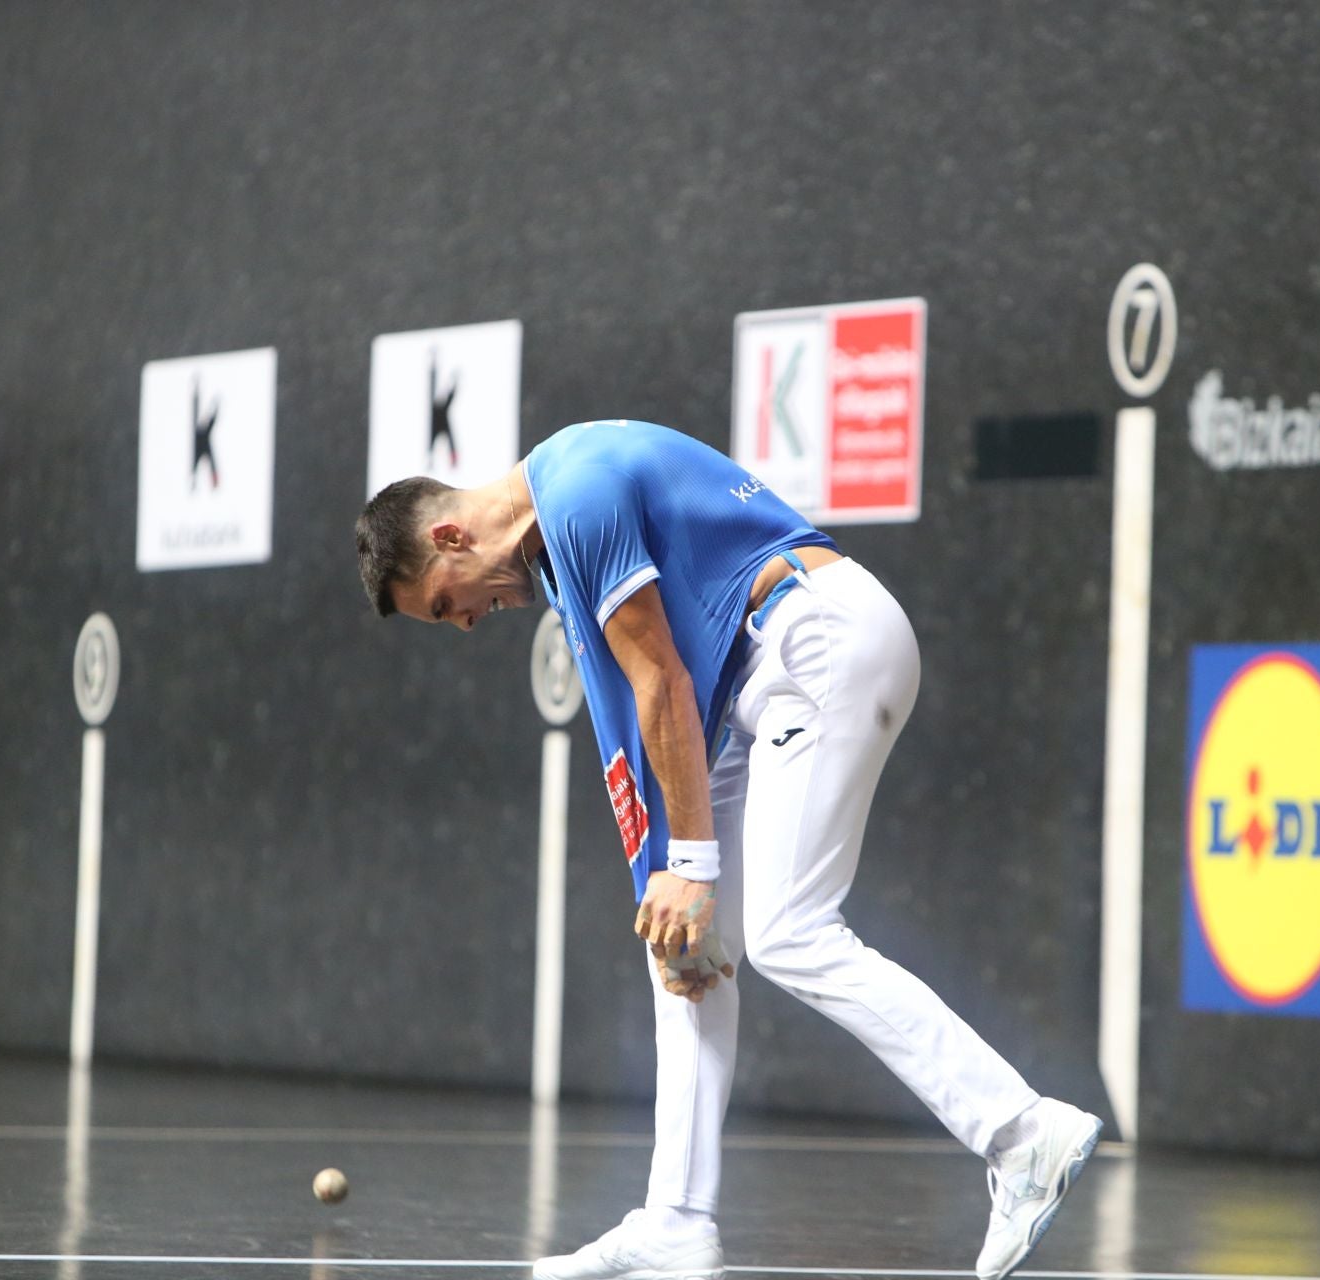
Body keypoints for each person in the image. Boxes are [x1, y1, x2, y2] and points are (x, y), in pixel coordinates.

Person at [355, 419, 1100, 1280]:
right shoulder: (556, 544)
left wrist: (693, 868)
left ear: (450, 537)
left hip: (816, 641)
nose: (464, 625)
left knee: (789, 931)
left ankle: (1022, 1134)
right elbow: (648, 716)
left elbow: (659, 682)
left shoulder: (579, 493)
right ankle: (677, 1217)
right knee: (682, 945)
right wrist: (675, 886)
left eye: (445, 603)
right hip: (761, 683)